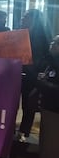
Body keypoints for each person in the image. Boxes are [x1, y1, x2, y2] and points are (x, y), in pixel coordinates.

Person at [31, 35, 59, 158]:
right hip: (48, 109)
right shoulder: (52, 62)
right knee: (45, 143)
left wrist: (43, 83)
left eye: (55, 43)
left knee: (52, 147)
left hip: (55, 111)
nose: (51, 44)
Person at [18, 9, 51, 142]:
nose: (22, 19)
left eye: (25, 17)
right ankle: (22, 131)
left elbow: (41, 57)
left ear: (33, 19)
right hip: (24, 73)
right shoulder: (24, 34)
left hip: (33, 76)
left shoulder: (39, 36)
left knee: (28, 105)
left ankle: (24, 132)